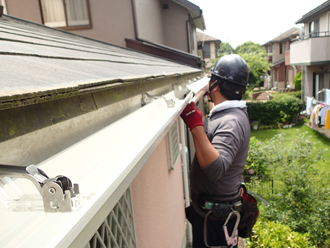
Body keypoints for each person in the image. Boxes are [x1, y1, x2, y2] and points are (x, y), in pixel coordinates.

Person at [181, 54, 251, 247]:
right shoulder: (228, 112)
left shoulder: (231, 122)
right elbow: (215, 110)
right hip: (212, 215)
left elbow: (215, 169)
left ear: (217, 85)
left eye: (211, 80)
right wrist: (203, 92)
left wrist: (195, 124)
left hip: (215, 221)